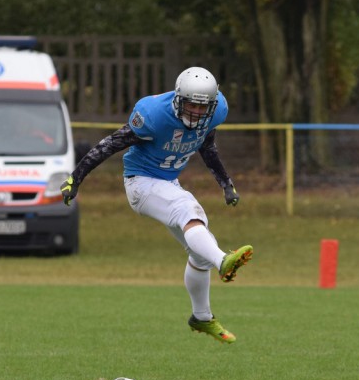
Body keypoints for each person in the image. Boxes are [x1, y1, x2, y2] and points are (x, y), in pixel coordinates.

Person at [60, 67, 252, 344]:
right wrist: (75, 178)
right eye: (191, 105)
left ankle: (201, 317)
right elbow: (110, 144)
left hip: (167, 183)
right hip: (141, 183)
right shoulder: (153, 116)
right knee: (189, 210)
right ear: (178, 99)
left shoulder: (216, 111)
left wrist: (225, 182)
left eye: (202, 107)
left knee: (199, 247)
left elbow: (206, 147)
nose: (197, 113)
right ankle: (223, 261)